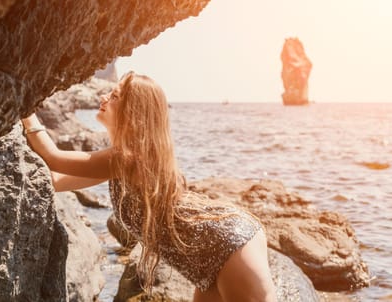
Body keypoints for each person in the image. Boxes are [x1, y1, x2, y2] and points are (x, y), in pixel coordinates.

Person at [21, 71, 276, 302]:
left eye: (115, 95)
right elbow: (55, 179)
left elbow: (53, 156)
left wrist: (24, 107)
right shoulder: (124, 164)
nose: (104, 96)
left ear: (133, 111)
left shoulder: (127, 158)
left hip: (228, 245)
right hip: (206, 262)